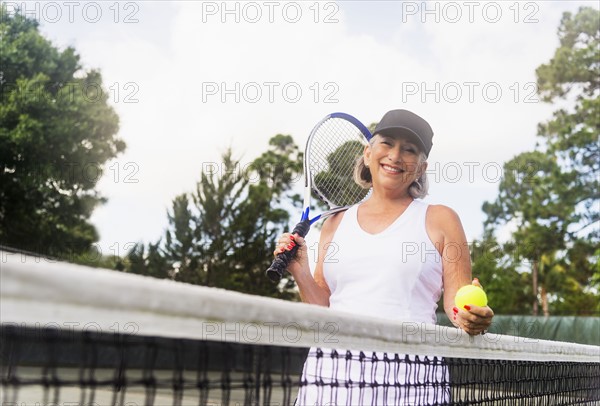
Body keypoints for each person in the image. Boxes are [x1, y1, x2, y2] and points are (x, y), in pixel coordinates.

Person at [274, 109, 494, 405]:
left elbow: (457, 306)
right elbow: (323, 308)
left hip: (411, 384)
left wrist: (469, 318)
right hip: (328, 380)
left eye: (410, 149)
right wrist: (300, 270)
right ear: (368, 153)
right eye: (387, 143)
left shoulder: (442, 220)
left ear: (420, 167)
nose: (395, 155)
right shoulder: (334, 224)